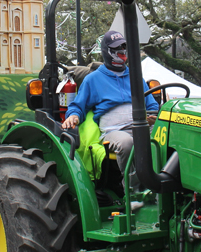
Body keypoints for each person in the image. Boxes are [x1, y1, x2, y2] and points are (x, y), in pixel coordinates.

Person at [62, 30, 159, 184]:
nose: (122, 52)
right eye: (117, 48)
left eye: (124, 47)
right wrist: (73, 115)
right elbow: (78, 106)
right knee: (127, 143)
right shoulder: (93, 80)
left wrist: (154, 116)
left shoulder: (136, 77)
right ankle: (133, 191)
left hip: (143, 126)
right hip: (115, 131)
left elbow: (152, 105)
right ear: (107, 51)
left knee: (166, 138)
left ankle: (162, 185)